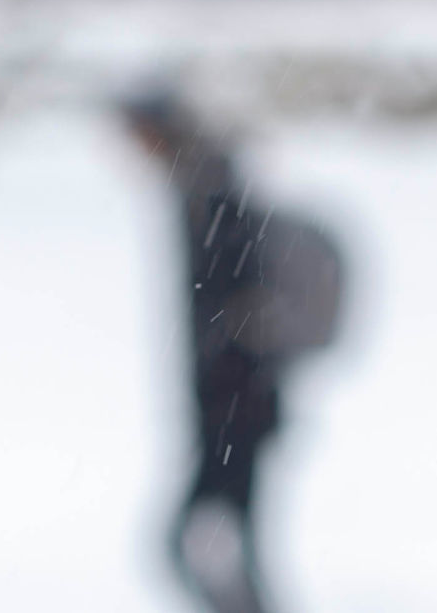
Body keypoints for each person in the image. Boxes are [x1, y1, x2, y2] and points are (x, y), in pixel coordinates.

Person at [120, 88, 344, 613]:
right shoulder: (201, 183)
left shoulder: (211, 191)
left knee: (195, 541)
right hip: (234, 401)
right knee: (222, 543)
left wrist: (227, 392)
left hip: (238, 403)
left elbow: (229, 306)